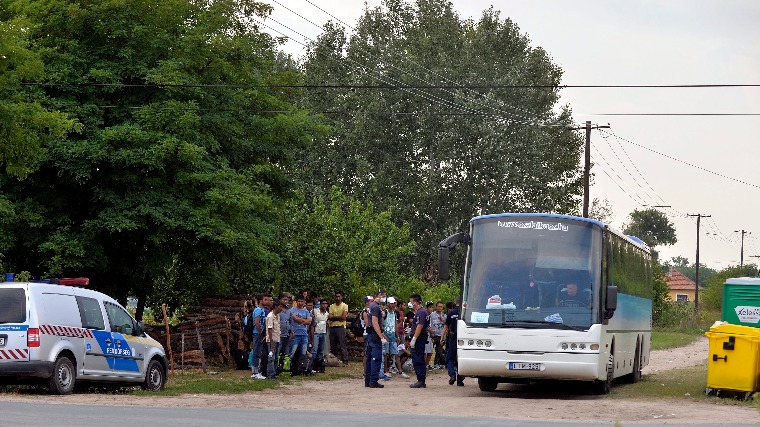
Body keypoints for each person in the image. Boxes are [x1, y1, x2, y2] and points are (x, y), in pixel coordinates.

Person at [364, 290, 388, 388]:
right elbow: (374, 322)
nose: (384, 298)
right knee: (376, 358)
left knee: (369, 358)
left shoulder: (371, 306)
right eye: (384, 296)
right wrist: (381, 336)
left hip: (370, 335)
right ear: (380, 295)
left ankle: (368, 380)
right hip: (374, 335)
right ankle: (373, 381)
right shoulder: (375, 307)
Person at [408, 293, 429, 388]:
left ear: (416, 302)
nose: (410, 303)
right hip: (419, 338)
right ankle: (421, 380)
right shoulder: (421, 312)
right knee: (418, 358)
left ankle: (420, 380)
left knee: (417, 358)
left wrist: (414, 338)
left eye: (411, 302)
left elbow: (420, 326)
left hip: (419, 339)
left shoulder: (421, 312)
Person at [442, 296, 464, 386]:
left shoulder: (451, 312)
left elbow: (446, 326)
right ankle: (460, 380)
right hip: (463, 339)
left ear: (456, 302)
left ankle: (452, 375)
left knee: (449, 358)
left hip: (453, 338)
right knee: (460, 359)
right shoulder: (464, 312)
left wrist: (442, 337)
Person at [288, 293, 312, 368]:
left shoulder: (306, 311)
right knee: (292, 352)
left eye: (302, 301)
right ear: (296, 301)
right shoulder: (292, 310)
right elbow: (296, 319)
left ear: (304, 302)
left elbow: (309, 322)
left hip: (304, 334)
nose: (300, 303)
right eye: (298, 301)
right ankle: (289, 367)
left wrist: (300, 320)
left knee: (303, 352)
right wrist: (304, 321)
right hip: (295, 334)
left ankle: (301, 368)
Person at [328, 291, 349, 367]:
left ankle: (345, 360)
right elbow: (330, 317)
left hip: (341, 327)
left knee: (342, 344)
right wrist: (338, 317)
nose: (337, 298)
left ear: (341, 297)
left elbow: (343, 318)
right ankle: (334, 361)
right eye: (336, 296)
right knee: (333, 345)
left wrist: (334, 317)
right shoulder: (331, 306)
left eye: (339, 296)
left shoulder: (344, 306)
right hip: (333, 327)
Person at [265, 299, 285, 379]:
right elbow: (269, 330)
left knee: (276, 358)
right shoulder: (270, 316)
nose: (281, 309)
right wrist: (271, 342)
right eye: (280, 307)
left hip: (277, 339)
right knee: (271, 358)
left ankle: (275, 372)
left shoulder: (278, 316)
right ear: (276, 307)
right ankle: (270, 374)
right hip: (271, 340)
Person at [277, 292, 292, 373]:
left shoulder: (289, 310)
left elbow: (290, 321)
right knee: (277, 352)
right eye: (284, 299)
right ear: (280, 300)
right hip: (279, 334)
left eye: (287, 300)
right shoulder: (278, 309)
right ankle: (276, 367)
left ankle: (282, 367)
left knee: (285, 353)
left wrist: (291, 331)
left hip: (287, 334)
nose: (286, 301)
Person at [429, 301, 446, 368]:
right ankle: (427, 364)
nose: (440, 308)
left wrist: (443, 320)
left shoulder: (444, 315)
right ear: (436, 307)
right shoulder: (432, 314)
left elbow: (446, 324)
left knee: (439, 351)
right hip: (433, 335)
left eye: (441, 307)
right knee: (430, 351)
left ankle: (436, 363)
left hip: (440, 335)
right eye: (438, 306)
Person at [312, 299, 330, 365]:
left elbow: (327, 321)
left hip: (323, 333)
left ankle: (319, 364)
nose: (324, 305)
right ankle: (312, 364)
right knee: (314, 350)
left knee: (321, 350)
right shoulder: (315, 311)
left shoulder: (327, 313)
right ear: (320, 304)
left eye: (326, 304)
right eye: (323, 303)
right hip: (316, 333)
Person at [424, 301, 435, 369]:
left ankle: (427, 364)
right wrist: (430, 330)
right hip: (424, 335)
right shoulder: (424, 315)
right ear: (426, 308)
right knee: (425, 351)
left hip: (429, 335)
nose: (431, 309)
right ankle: (424, 365)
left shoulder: (431, 316)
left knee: (430, 351)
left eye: (432, 307)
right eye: (430, 307)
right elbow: (423, 326)